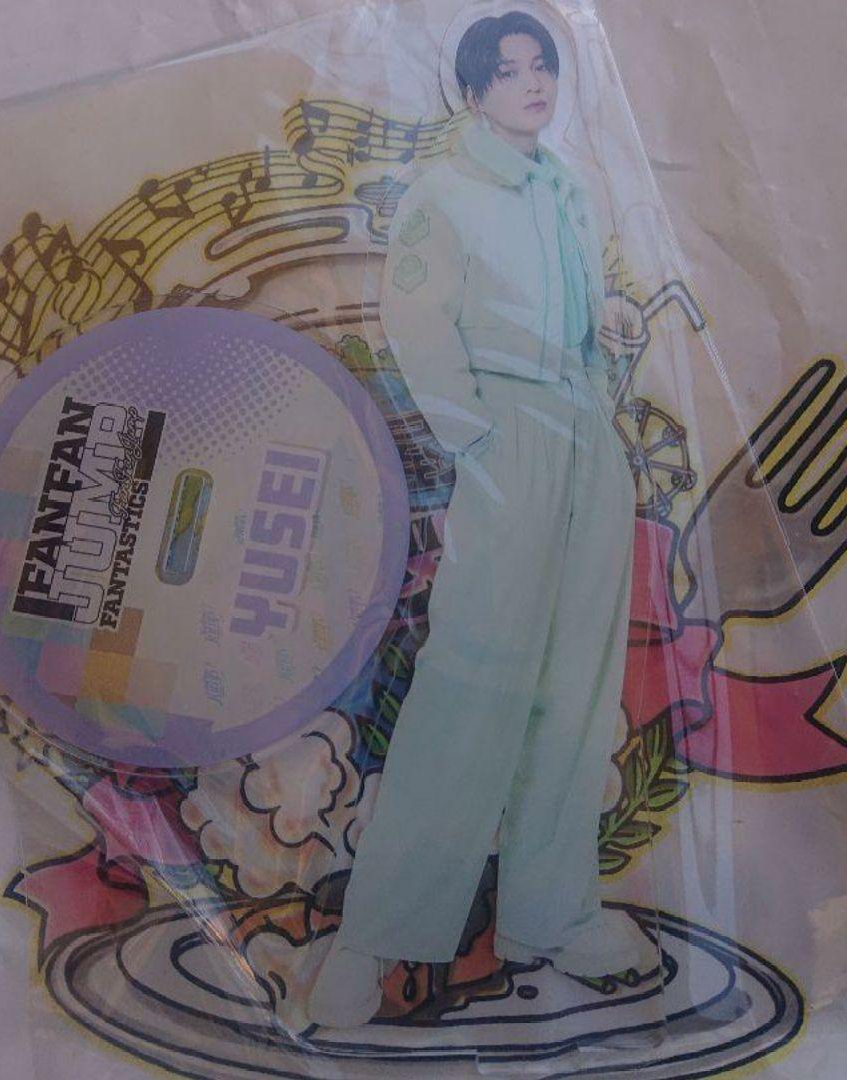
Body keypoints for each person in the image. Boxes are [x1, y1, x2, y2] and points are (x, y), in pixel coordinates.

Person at [307, 9, 658, 1028]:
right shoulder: (446, 193)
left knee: (577, 685)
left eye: (542, 66)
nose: (532, 83)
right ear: (472, 91)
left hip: (586, 434)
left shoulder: (566, 186)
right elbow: (417, 324)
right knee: (469, 684)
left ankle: (555, 912)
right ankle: (376, 936)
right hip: (507, 437)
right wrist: (479, 439)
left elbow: (575, 318)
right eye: (508, 72)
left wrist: (606, 335)